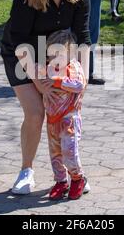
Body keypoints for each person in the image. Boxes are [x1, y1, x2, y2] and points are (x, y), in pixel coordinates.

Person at [0, 0, 91, 195]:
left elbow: (83, 38)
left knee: (65, 118)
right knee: (36, 112)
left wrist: (82, 78)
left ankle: (75, 175)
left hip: (58, 59)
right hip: (21, 55)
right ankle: (26, 171)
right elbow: (18, 40)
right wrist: (38, 77)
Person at [38, 30, 89, 200]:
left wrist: (57, 82)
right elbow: (42, 81)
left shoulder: (73, 67)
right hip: (52, 118)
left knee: (69, 151)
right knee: (55, 153)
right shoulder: (49, 68)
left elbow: (79, 85)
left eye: (59, 55)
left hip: (69, 118)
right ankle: (61, 181)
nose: (55, 59)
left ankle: (77, 178)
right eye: (52, 55)